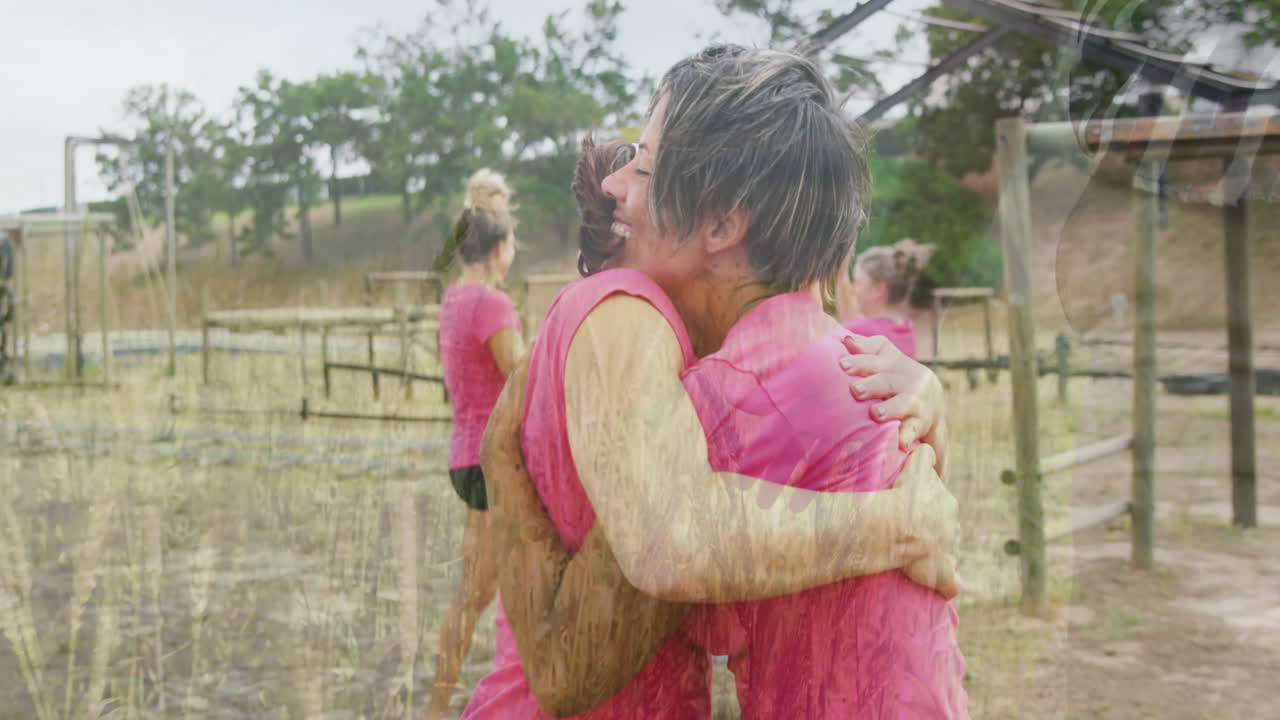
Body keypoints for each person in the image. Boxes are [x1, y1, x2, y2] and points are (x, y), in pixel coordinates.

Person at [466, 45, 961, 720]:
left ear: (724, 223)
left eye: (642, 165)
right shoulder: (845, 367)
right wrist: (902, 520)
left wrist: (503, 461)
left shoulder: (733, 393)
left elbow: (571, 658)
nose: (617, 187)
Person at [425, 169, 525, 720]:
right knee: (492, 594)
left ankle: (442, 702)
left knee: (477, 591)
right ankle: (445, 706)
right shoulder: (492, 305)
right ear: (500, 248)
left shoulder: (453, 299)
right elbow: (521, 377)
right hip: (493, 464)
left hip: (464, 457)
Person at [837, 238, 936, 358]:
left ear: (879, 290)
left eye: (858, 282)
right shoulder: (906, 328)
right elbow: (852, 321)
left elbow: (852, 326)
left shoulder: (862, 332)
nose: (853, 290)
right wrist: (841, 276)